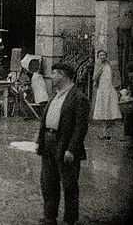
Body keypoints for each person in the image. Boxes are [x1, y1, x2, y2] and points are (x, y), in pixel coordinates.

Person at [36, 62, 90, 225]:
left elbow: (81, 128)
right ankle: (49, 217)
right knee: (48, 181)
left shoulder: (79, 98)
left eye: (54, 74)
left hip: (65, 145)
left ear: (63, 75)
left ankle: (70, 219)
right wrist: (40, 141)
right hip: (49, 141)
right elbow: (45, 120)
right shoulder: (55, 95)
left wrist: (71, 150)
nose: (52, 77)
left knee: (69, 184)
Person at [92, 50, 121, 141]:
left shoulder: (110, 65)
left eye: (104, 55)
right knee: (102, 109)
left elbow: (115, 76)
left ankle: (110, 132)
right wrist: (98, 72)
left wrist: (117, 86)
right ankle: (103, 131)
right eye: (100, 55)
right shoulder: (98, 66)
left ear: (106, 56)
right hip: (102, 89)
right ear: (98, 57)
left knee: (111, 108)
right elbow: (94, 78)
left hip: (110, 88)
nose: (102, 57)